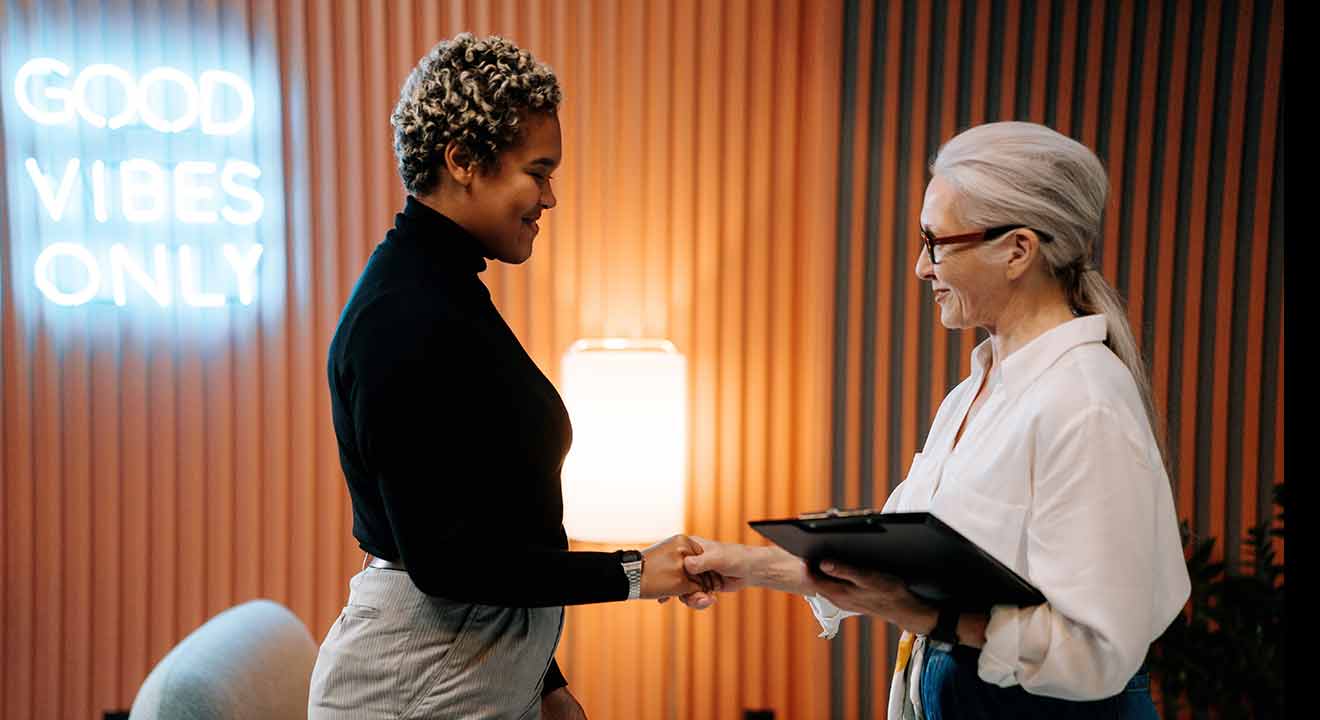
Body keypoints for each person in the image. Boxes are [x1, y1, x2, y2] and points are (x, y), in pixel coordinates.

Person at [677, 121, 1190, 719]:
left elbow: (1098, 654)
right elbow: (897, 565)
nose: (922, 267)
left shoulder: (1085, 403)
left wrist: (927, 617)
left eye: (937, 242)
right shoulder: (975, 392)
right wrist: (752, 565)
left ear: (1017, 250)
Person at [307, 33, 711, 720]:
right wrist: (635, 573)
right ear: (463, 160)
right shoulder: (401, 316)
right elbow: (446, 562)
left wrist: (544, 679)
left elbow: (496, 519)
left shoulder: (443, 292)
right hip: (415, 686)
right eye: (538, 171)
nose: (550, 197)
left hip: (471, 668)